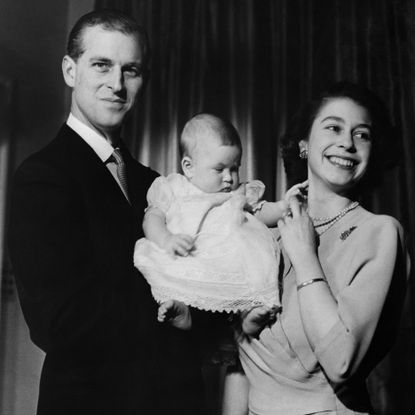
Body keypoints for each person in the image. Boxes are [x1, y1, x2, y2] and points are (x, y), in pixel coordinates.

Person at [8, 10, 211, 415]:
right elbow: (57, 320)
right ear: (70, 70)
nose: (116, 85)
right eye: (101, 65)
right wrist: (175, 313)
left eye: (130, 70)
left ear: (144, 80)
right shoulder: (42, 176)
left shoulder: (156, 184)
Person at [223, 82, 410, 415]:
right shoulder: (262, 230)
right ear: (304, 144)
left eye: (362, 134)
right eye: (334, 128)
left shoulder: (380, 234)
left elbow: (341, 361)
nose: (347, 143)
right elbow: (239, 357)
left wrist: (306, 256)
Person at [134, 113, 304, 317]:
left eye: (234, 168)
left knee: (252, 273)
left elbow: (259, 212)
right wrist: (166, 238)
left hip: (228, 260)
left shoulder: (237, 193)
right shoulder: (174, 188)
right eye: (219, 169)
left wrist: (283, 207)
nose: (228, 178)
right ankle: (184, 311)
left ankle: (247, 317)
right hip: (188, 254)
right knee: (175, 276)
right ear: (189, 167)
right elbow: (152, 218)